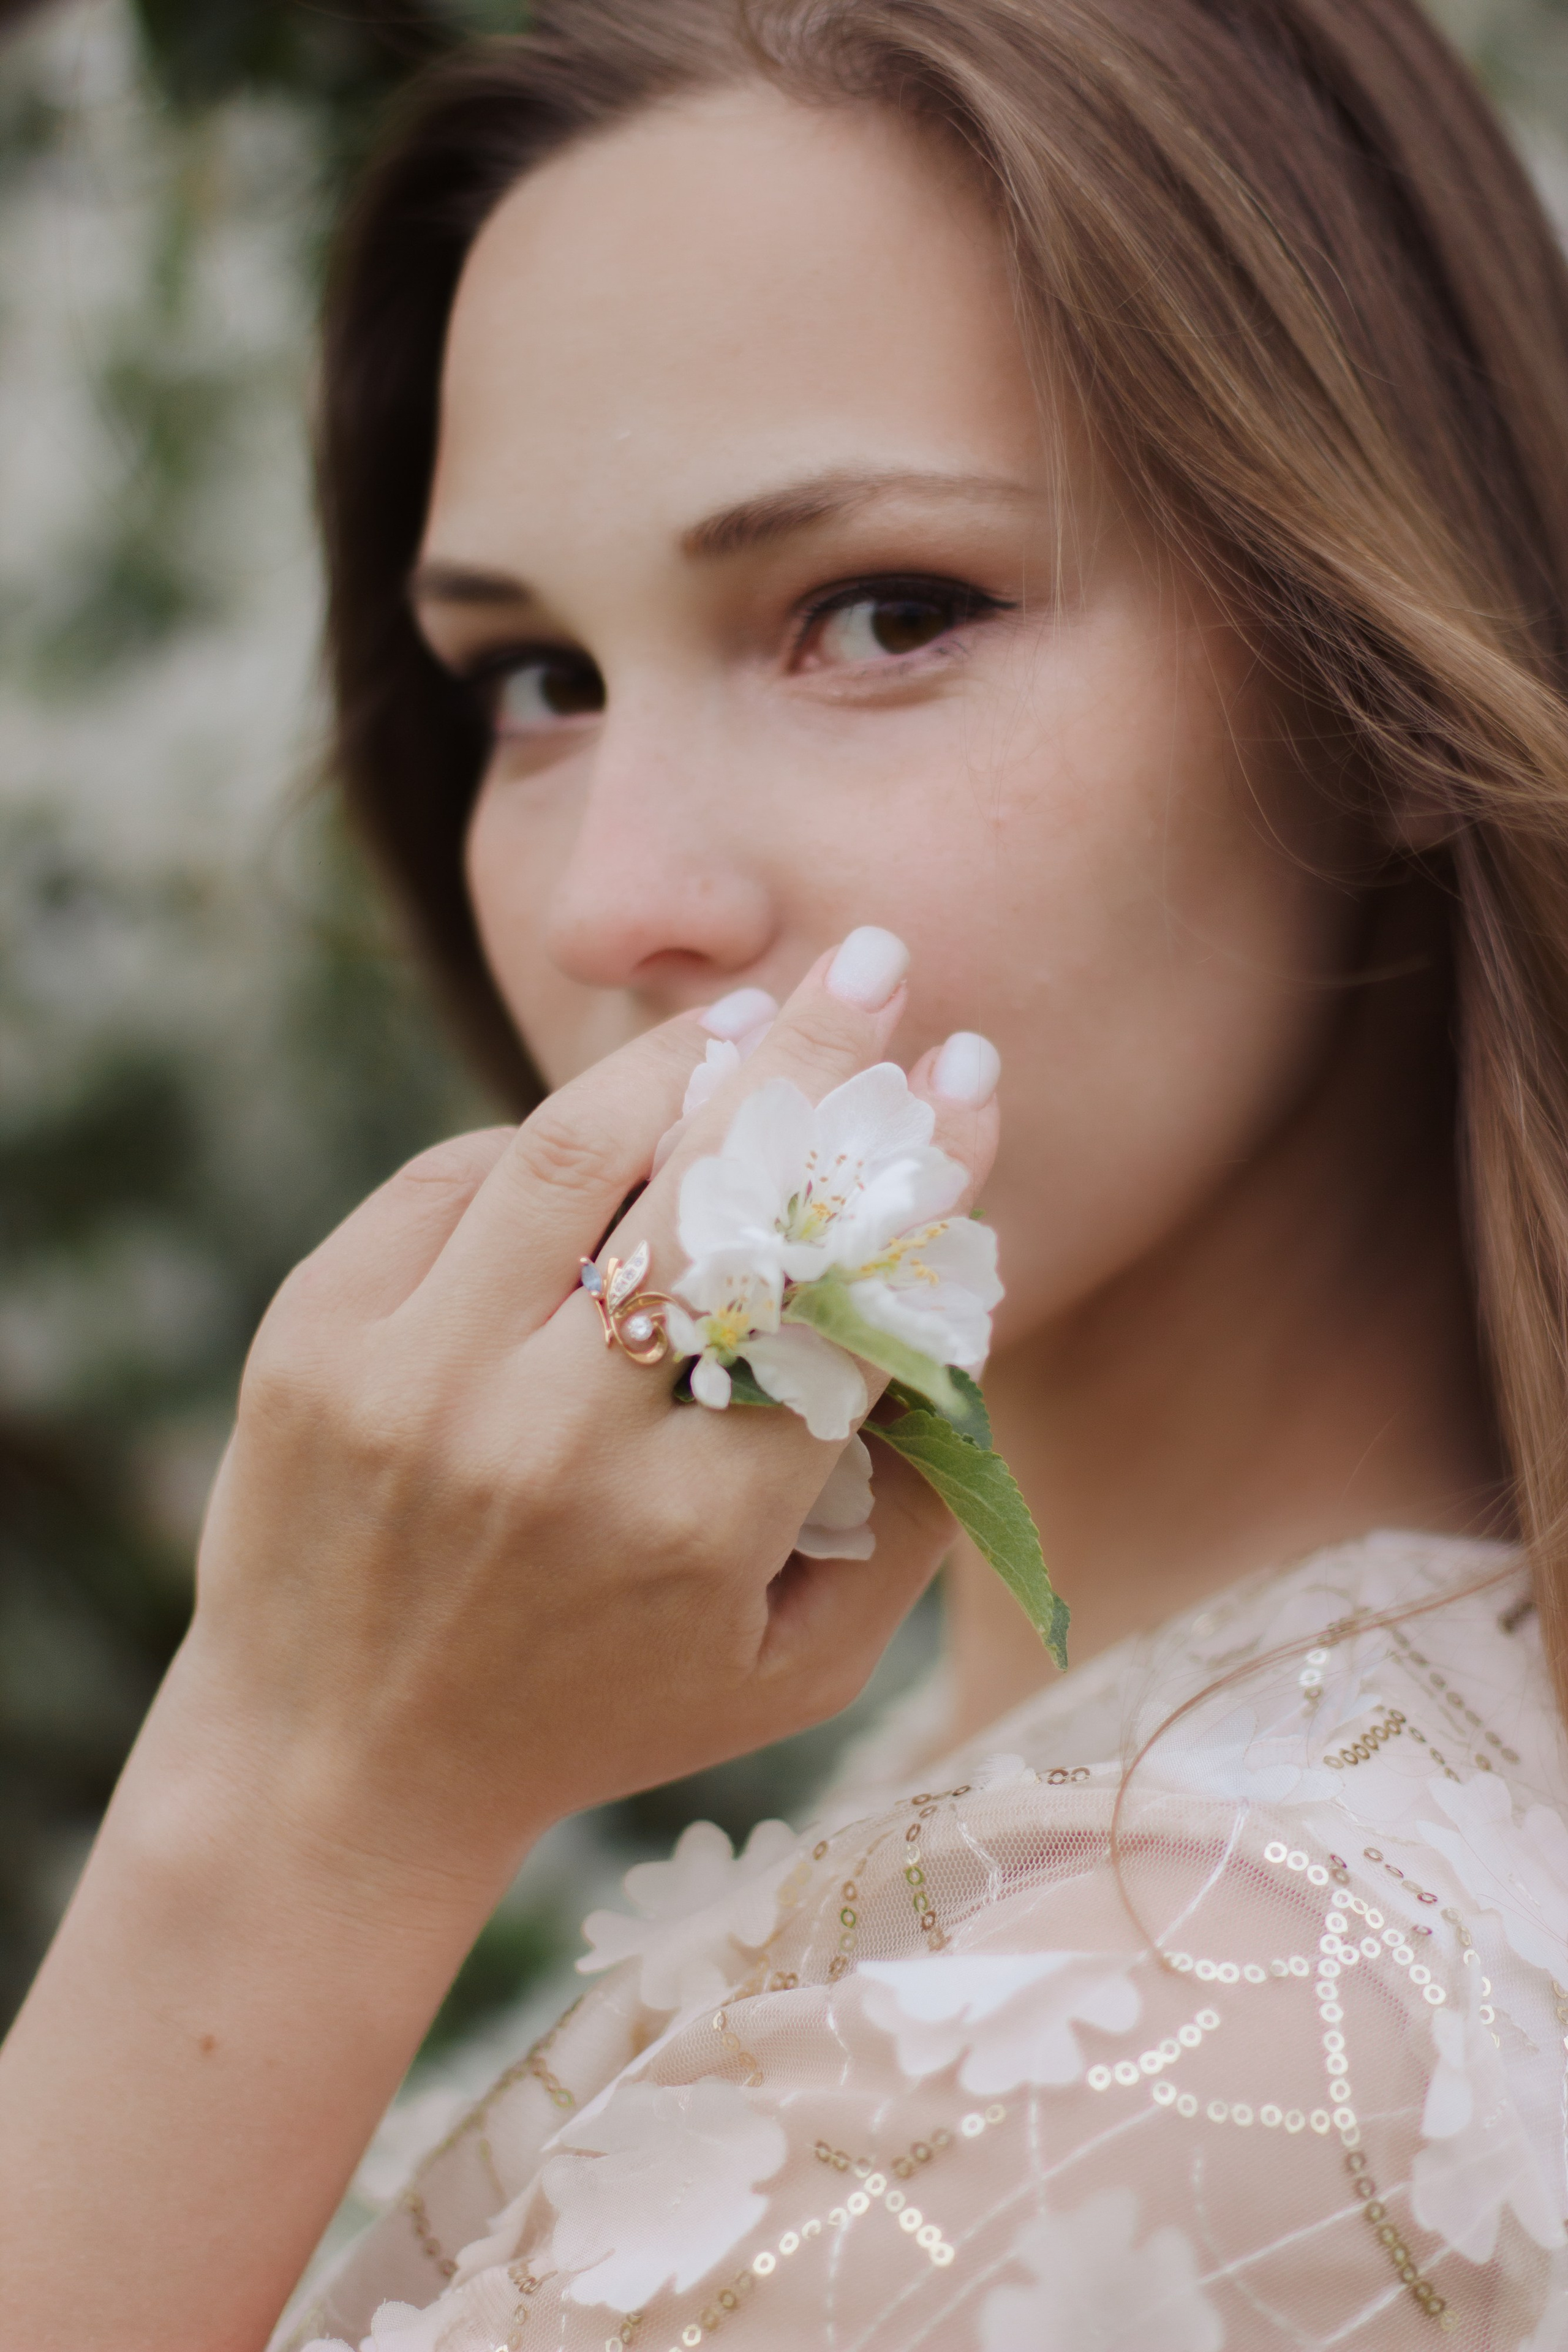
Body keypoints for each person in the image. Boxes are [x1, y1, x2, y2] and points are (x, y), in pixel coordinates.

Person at [6, 0, 1568, 2340]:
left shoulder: (1171, 2056)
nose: (604, 897)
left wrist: (293, 1800)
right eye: (533, 680)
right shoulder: (1110, 1806)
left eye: (885, 613)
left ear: (1391, 677)